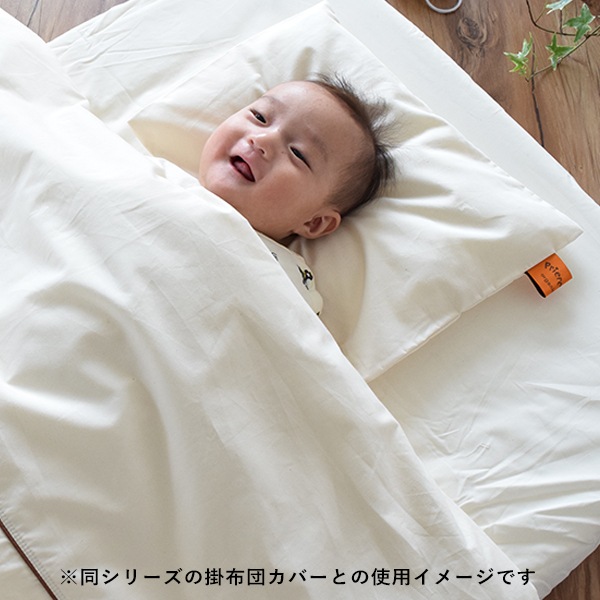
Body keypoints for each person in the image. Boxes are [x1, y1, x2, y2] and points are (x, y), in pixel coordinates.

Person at [198, 75, 394, 245]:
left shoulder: (282, 270)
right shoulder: (177, 184)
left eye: (298, 153)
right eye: (260, 117)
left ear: (314, 222)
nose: (262, 140)